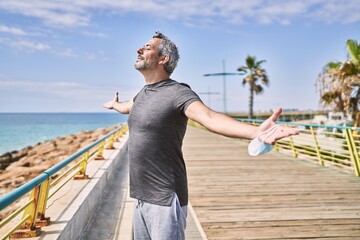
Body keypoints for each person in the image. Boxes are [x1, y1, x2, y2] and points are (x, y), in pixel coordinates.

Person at [103, 31, 299, 240]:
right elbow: (128, 107)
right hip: (141, 197)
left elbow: (209, 117)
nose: (139, 50)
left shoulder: (178, 92)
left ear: (163, 58)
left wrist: (256, 132)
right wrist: (116, 105)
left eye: (148, 47)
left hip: (165, 198)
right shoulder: (143, 93)